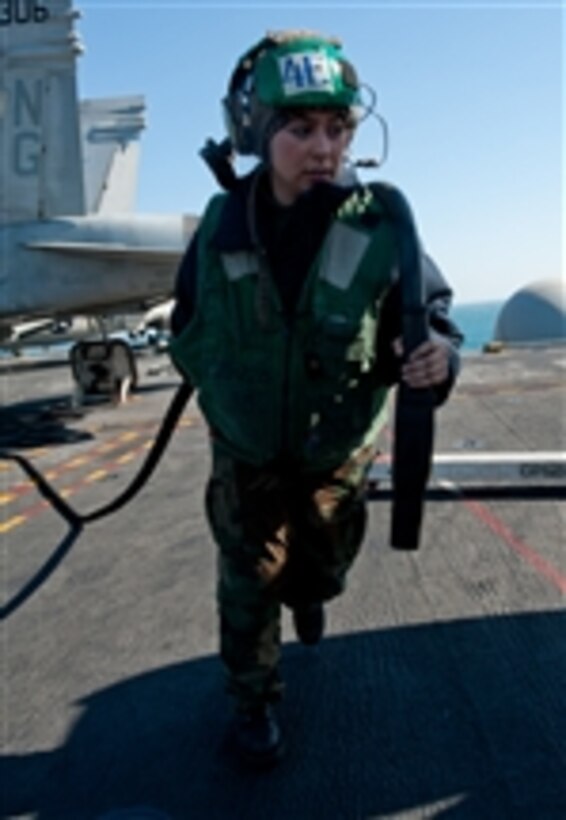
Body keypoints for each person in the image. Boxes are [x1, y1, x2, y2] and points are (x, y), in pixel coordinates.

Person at [169, 29, 463, 766]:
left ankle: (312, 591)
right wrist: (228, 397)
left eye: (337, 129)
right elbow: (187, 327)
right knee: (247, 580)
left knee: (322, 567)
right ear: (258, 136)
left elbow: (433, 318)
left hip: (336, 449)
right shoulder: (220, 229)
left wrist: (435, 357)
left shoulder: (378, 225)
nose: (323, 148)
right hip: (246, 455)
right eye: (300, 129)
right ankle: (253, 703)